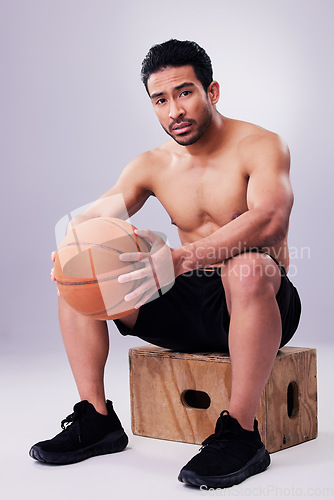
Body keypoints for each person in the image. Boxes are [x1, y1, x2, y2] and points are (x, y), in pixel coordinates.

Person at [29, 39, 301, 489]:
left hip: (254, 300)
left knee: (247, 267)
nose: (175, 109)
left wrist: (181, 257)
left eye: (185, 93)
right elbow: (92, 216)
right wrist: (69, 246)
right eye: (161, 99)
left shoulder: (262, 145)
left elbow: (270, 220)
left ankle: (241, 434)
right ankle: (97, 419)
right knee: (79, 274)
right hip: (182, 297)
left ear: (211, 91)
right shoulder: (152, 165)